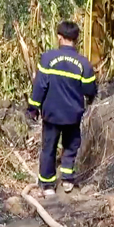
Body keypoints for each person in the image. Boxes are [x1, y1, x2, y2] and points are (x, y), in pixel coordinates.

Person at [27, 20, 96, 196]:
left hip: (51, 114)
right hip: (73, 114)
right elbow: (90, 89)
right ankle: (66, 179)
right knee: (71, 145)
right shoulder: (83, 64)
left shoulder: (48, 59)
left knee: (49, 147)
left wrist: (33, 108)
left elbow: (40, 86)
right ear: (76, 39)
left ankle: (48, 184)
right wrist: (89, 98)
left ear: (59, 37)